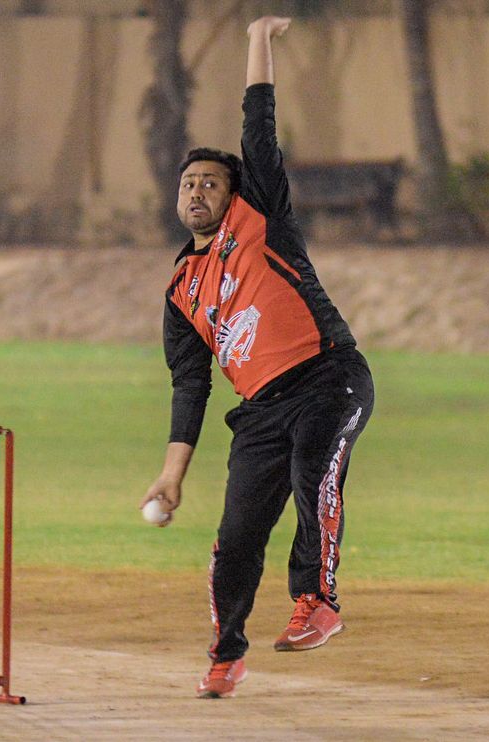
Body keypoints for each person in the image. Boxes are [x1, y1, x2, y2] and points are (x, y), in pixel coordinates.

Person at [140, 15, 374, 699]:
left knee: (313, 470)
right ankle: (225, 656)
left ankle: (317, 600)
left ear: (234, 192)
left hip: (329, 377)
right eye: (188, 184)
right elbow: (191, 387)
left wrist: (257, 40)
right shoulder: (181, 290)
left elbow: (258, 132)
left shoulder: (260, 217)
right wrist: (171, 474)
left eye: (210, 183)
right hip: (261, 410)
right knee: (236, 536)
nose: (197, 191)